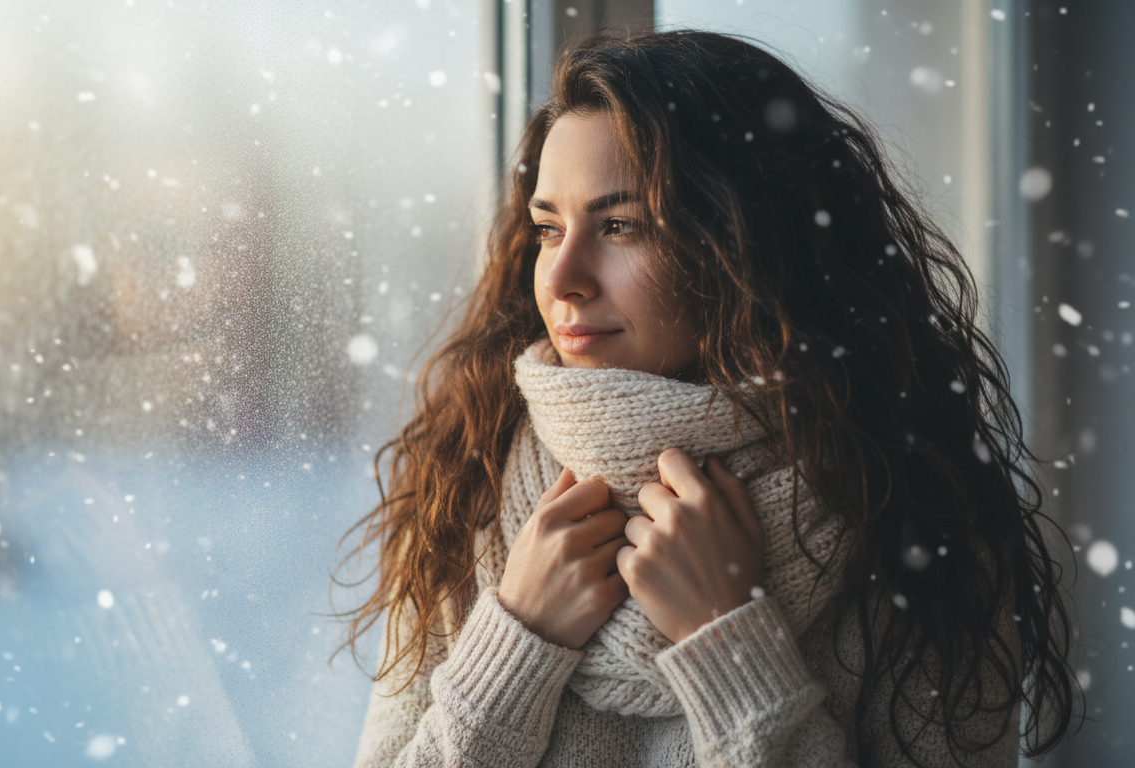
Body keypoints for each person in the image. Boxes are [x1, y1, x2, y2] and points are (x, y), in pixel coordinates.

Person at [341, 30, 1075, 767]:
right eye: (548, 228)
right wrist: (513, 649)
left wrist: (730, 646)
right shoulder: (464, 486)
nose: (561, 278)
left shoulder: (915, 521)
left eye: (621, 226)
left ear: (744, 243)